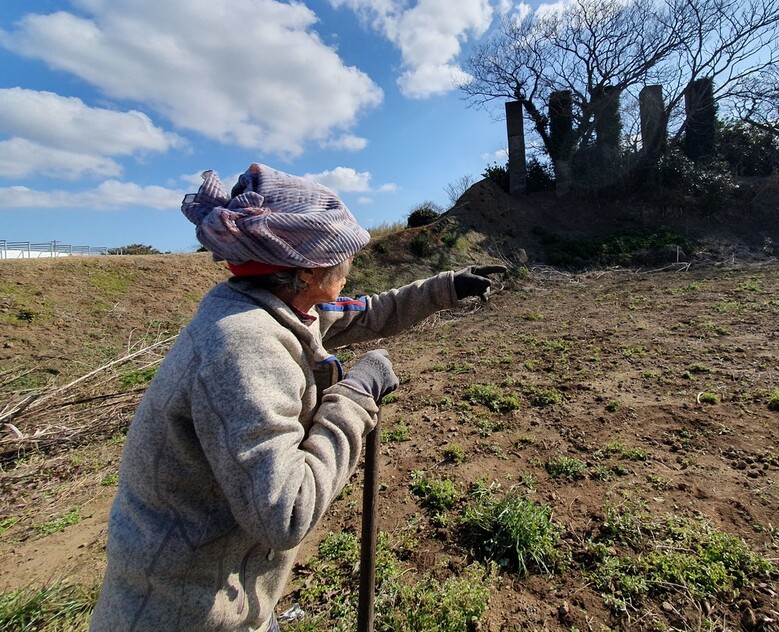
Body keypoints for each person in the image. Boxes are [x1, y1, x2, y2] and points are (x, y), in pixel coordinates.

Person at [90, 163, 505, 631]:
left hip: (228, 593)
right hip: (184, 611)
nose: (350, 268)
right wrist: (354, 394)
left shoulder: (275, 303)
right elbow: (285, 513)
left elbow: (366, 313)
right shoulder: (244, 348)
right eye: (343, 257)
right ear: (308, 271)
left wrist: (447, 286)